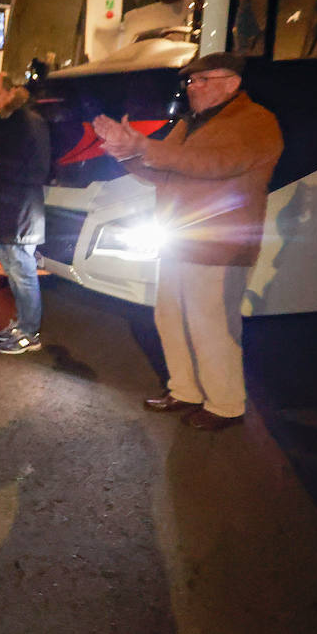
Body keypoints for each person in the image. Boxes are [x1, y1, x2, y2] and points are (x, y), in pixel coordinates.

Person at [94, 52, 283, 430]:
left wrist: (145, 147)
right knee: (170, 316)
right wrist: (125, 153)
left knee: (211, 325)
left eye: (201, 81)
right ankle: (185, 390)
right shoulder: (190, 123)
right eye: (190, 82)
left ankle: (225, 405)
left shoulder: (256, 121)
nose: (192, 88)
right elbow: (162, 173)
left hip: (220, 243)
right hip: (181, 237)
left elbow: (216, 164)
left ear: (231, 83)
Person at [0, 74, 51, 353]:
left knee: (23, 274)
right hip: (4, 214)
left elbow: (39, 170)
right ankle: (23, 325)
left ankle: (30, 332)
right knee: (16, 274)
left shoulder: (29, 122)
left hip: (21, 214)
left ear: (10, 93)